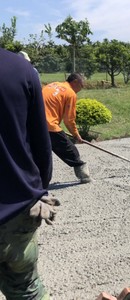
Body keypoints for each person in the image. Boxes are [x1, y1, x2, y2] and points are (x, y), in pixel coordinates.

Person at [0, 47, 60, 299]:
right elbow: (41, 143)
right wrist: (38, 190)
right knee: (26, 290)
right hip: (17, 211)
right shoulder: (20, 69)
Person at [42, 73, 92, 184]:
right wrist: (76, 135)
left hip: (32, 124)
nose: (82, 88)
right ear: (75, 82)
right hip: (49, 125)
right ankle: (84, 174)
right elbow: (69, 120)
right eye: (81, 85)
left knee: (39, 154)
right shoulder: (70, 93)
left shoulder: (51, 85)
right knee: (71, 151)